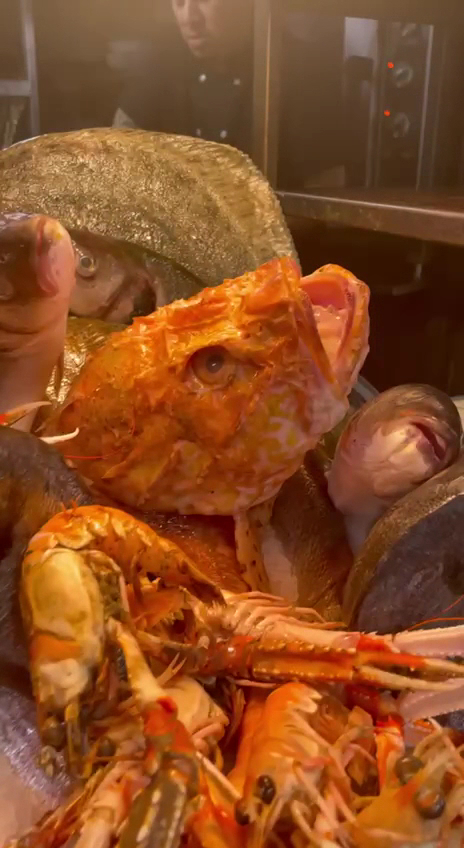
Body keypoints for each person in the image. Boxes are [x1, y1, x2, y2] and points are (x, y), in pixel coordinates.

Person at [113, 0, 346, 189]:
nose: (190, 18)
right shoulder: (161, 64)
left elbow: (324, 195)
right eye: (180, 3)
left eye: (204, 1)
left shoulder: (301, 69)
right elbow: (117, 159)